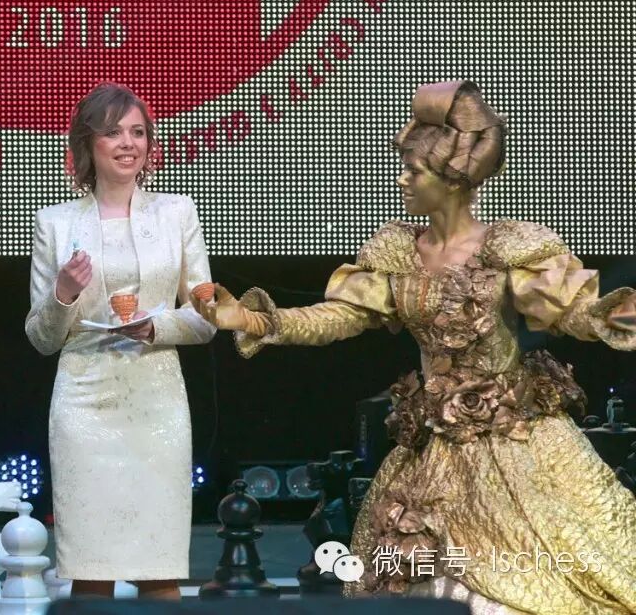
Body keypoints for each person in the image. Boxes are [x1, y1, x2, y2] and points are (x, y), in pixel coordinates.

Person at [193, 81, 636, 614]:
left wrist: (614, 314)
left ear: (452, 180)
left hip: (516, 442)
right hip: (432, 446)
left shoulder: (507, 247)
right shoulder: (400, 251)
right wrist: (251, 319)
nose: (402, 179)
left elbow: (574, 308)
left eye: (414, 171)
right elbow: (340, 316)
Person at [25, 82, 215, 599]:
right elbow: (41, 338)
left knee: (159, 568)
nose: (129, 144)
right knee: (92, 566)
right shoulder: (55, 223)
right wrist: (64, 293)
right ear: (88, 144)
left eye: (138, 132)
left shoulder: (177, 213)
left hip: (157, 401)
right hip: (84, 403)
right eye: (113, 133)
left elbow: (206, 317)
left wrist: (157, 327)